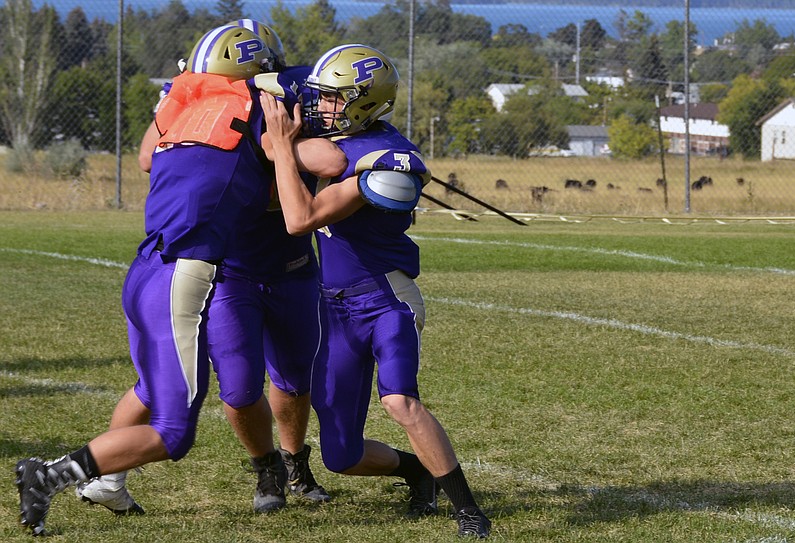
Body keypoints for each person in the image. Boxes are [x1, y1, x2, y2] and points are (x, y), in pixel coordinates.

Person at [14, 25, 345, 536]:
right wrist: (282, 138)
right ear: (260, 72)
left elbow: (149, 155)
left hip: (144, 268)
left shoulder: (182, 102)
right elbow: (332, 158)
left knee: (150, 388)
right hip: (185, 274)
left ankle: (107, 482)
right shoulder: (259, 103)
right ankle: (52, 474)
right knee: (173, 432)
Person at [259, 44, 491, 538]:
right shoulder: (342, 137)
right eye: (320, 97)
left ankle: (469, 511)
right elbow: (272, 81)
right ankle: (417, 473)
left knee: (399, 401)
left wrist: (281, 148)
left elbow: (300, 219)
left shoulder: (390, 159)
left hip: (387, 298)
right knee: (340, 455)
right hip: (334, 308)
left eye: (332, 99)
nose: (320, 106)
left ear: (363, 102)